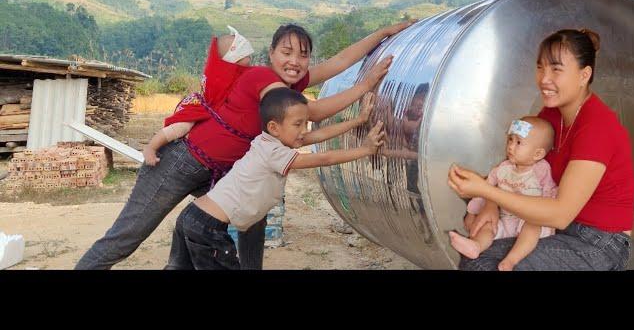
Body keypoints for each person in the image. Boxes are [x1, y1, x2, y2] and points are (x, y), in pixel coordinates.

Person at [76, 19, 415, 270]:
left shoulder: (292, 82)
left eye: (303, 55)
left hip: (224, 172)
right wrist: (365, 85)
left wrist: (381, 35)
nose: (294, 61)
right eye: (286, 52)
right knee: (128, 237)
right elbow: (312, 111)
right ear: (271, 53)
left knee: (252, 218)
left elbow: (339, 62)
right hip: (184, 161)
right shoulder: (264, 80)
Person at [448, 28, 634, 271]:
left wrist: (487, 191)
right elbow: (517, 163)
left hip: (598, 241)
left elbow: (560, 214)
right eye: (540, 67)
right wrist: (490, 204)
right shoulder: (549, 115)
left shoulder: (597, 127)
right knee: (476, 259)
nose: (544, 78)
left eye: (556, 69)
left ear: (584, 75)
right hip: (551, 226)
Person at [166, 88, 384, 269]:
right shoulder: (274, 154)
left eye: (306, 123)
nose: (304, 130)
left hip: (192, 218)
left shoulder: (268, 142)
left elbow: (318, 135)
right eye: (298, 124)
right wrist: (365, 149)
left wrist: (359, 120)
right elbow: (325, 158)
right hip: (207, 228)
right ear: (274, 127)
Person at [448, 116, 557, 271]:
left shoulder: (541, 170)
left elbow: (550, 193)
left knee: (532, 225)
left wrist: (546, 214)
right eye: (510, 140)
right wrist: (471, 213)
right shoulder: (503, 168)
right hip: (505, 219)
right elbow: (484, 190)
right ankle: (476, 246)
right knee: (488, 226)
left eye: (518, 142)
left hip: (529, 221)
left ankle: (511, 260)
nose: (511, 146)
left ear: (537, 154)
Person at [142, 26, 254, 166]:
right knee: (182, 126)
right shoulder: (221, 71)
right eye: (245, 55)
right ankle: (151, 147)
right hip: (204, 106)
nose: (249, 56)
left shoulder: (242, 71)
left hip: (218, 112)